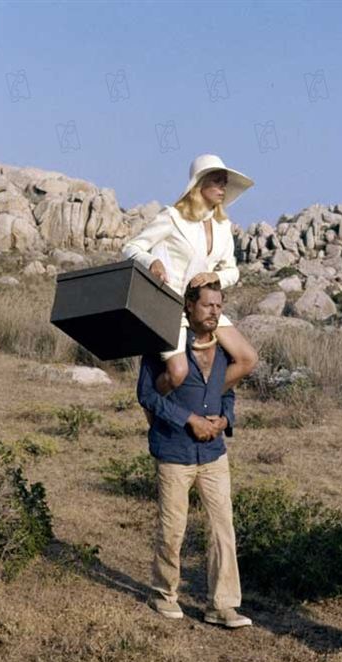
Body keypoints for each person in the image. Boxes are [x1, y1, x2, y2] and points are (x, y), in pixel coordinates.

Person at [137, 279, 252, 628]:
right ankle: (163, 594)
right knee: (173, 529)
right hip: (174, 451)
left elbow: (226, 392)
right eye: (207, 305)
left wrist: (224, 419)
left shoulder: (226, 350)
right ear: (188, 307)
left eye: (219, 306)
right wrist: (189, 419)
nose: (214, 312)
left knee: (222, 529)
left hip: (214, 452)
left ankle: (222, 606)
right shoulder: (164, 345)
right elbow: (148, 396)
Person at [122, 153, 258, 396]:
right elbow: (131, 248)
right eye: (217, 181)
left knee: (247, 359)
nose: (222, 188)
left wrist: (214, 277)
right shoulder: (172, 217)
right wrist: (152, 261)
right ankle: (153, 403)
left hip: (204, 307)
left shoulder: (223, 227)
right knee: (178, 373)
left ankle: (203, 400)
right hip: (169, 306)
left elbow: (232, 271)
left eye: (224, 183)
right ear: (200, 184)